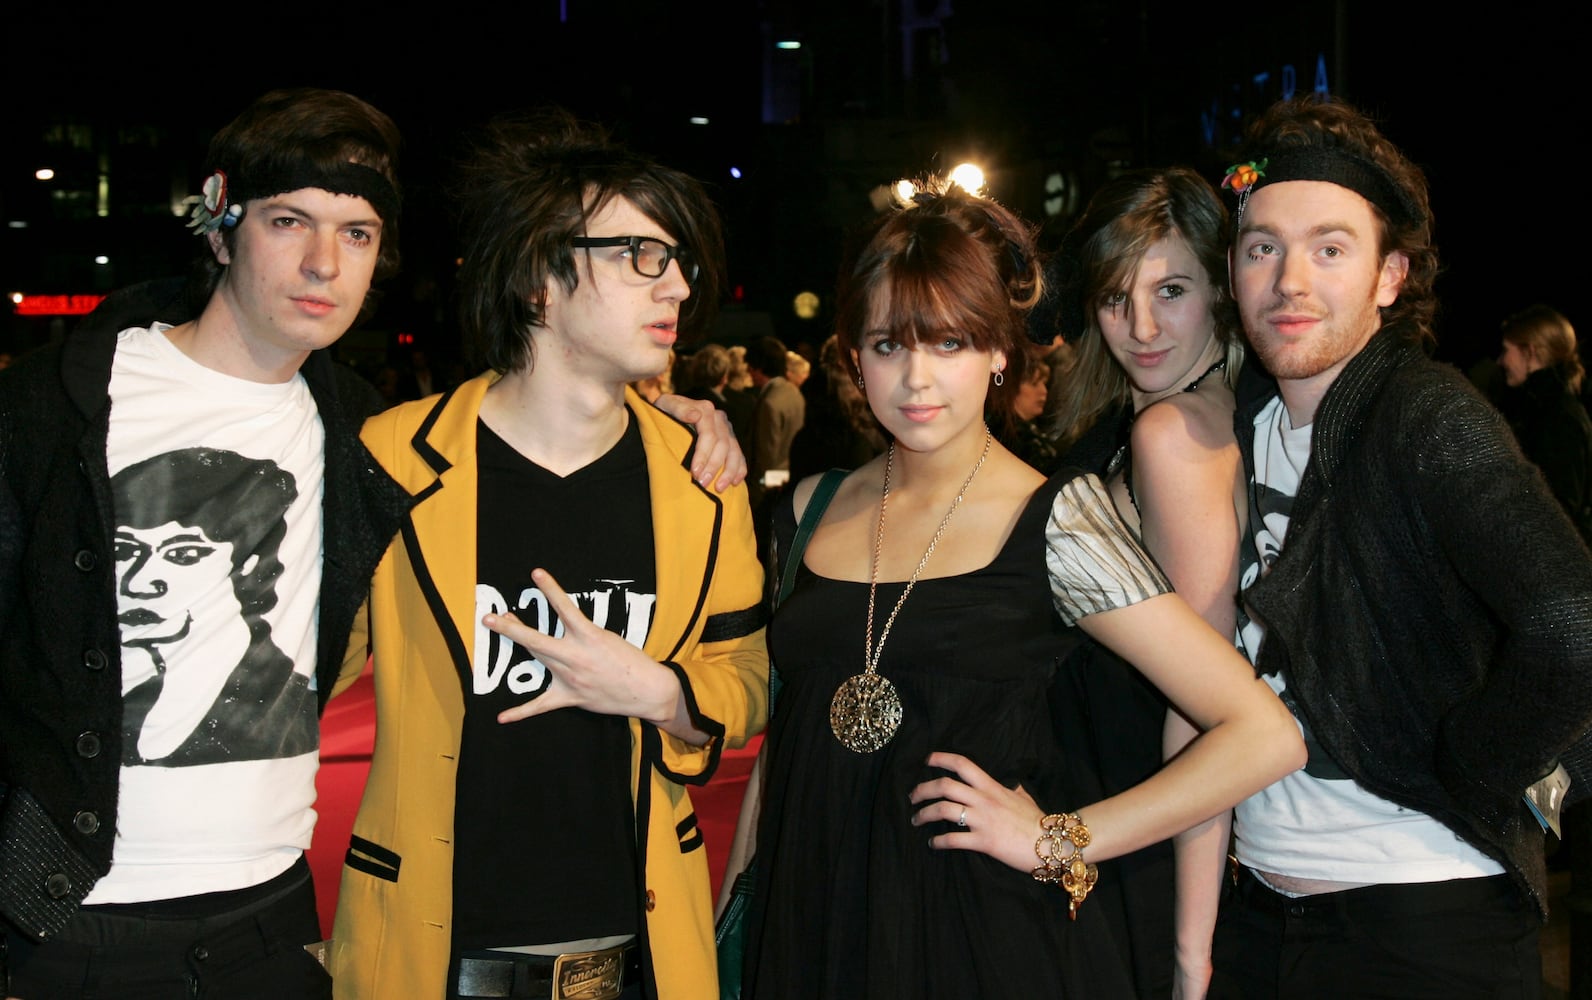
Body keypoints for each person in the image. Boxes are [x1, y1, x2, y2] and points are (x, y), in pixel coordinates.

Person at [738, 178, 1302, 999]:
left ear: (1000, 352)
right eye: (889, 345)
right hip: (811, 924)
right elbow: (784, 741)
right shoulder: (806, 509)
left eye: (951, 342)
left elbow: (1262, 734)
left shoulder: (1056, 517)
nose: (917, 378)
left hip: (981, 938)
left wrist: (1061, 840)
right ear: (854, 355)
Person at [328, 110, 768, 1000]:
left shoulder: (701, 477)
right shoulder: (394, 458)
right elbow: (301, 674)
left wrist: (660, 693)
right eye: (641, 255)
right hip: (430, 955)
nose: (678, 284)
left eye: (679, 260)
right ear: (539, 278)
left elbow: (749, 674)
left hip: (639, 957)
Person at [0, 87, 413, 998]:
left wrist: (683, 420)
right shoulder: (54, 402)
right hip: (65, 921)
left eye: (356, 233)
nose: (322, 263)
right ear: (222, 230)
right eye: (288, 222)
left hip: (271, 916)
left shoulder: (363, 432)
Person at [1207, 97, 1592, 999]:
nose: (1289, 280)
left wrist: (1473, 763)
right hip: (1260, 911)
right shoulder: (1240, 421)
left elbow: (1574, 622)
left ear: (1390, 277)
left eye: (1330, 249)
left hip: (1423, 922)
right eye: (1263, 248)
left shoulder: (1425, 413)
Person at [1049, 167, 1248, 998]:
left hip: (1140, 830)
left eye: (1171, 290)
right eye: (1114, 298)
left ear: (1220, 288)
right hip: (1129, 815)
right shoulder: (1200, 411)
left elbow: (1205, 709)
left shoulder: (1170, 434)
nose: (1140, 327)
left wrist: (1188, 952)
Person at [1496, 304, 1592, 541]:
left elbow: (1560, 507)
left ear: (1530, 352)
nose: (1501, 361)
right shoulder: (1541, 407)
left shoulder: (1558, 417)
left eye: (1506, 350)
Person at [747, 334, 806, 506]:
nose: (748, 372)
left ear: (758, 368)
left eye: (750, 367)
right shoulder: (794, 392)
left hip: (772, 489)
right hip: (793, 481)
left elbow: (767, 455)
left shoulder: (770, 402)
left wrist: (757, 494)